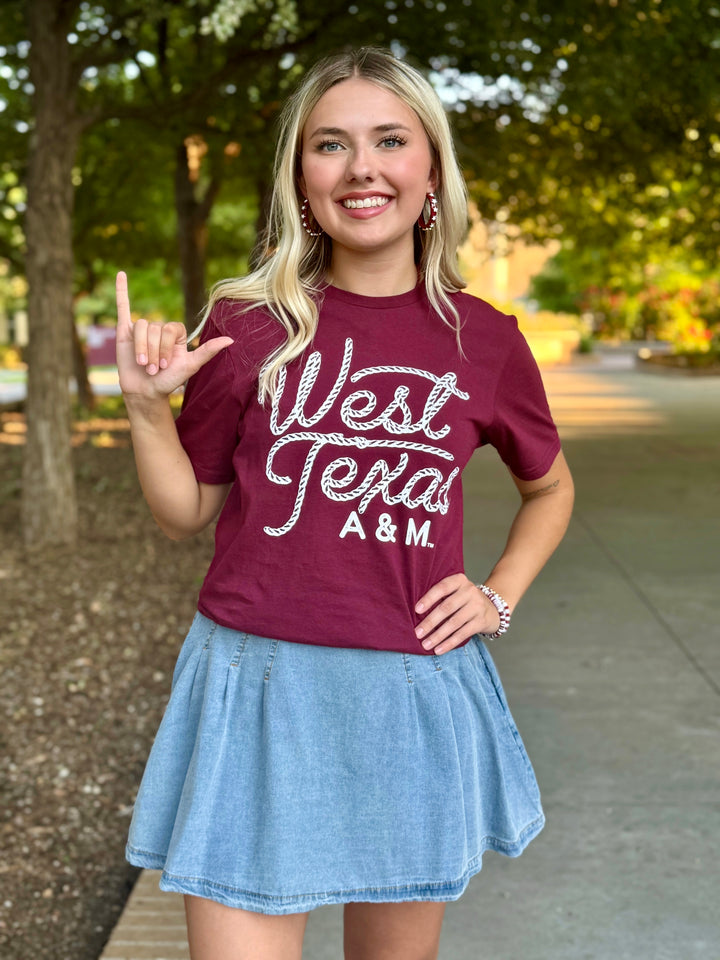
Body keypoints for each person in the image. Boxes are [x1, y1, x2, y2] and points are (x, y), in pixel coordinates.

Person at [117, 46, 574, 960]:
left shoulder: (482, 339)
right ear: (300, 178)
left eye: (390, 140)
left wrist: (498, 595)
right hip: (256, 689)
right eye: (331, 145)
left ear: (430, 169)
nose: (362, 167)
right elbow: (186, 510)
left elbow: (550, 488)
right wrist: (141, 408)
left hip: (407, 696)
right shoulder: (246, 323)